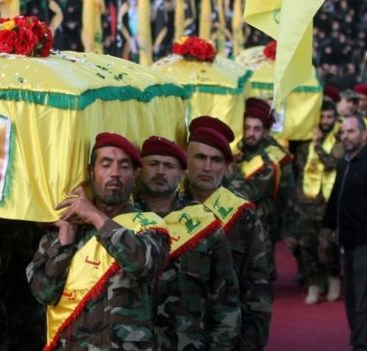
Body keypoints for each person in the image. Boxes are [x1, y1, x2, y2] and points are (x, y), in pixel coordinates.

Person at [27, 132, 170, 350]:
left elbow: (143, 265)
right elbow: (43, 293)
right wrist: (65, 239)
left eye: (124, 166)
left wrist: (95, 216)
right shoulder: (66, 227)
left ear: (136, 174)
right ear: (90, 172)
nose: (115, 173)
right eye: (106, 164)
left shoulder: (149, 225)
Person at [135, 136, 240, 350]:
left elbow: (225, 300)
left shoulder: (203, 223)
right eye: (153, 164)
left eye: (169, 166)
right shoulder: (124, 221)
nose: (161, 172)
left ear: (182, 173)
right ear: (139, 170)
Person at [177, 116, 272, 350]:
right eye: (200, 157)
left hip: (226, 337)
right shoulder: (168, 208)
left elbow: (257, 287)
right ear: (186, 159)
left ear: (227, 166)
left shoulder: (242, 216)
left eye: (216, 160)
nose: (207, 167)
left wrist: (251, 342)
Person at [322, 115, 367, 351]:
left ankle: (364, 346)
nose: (345, 136)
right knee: (352, 300)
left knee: (364, 302)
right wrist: (326, 232)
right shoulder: (344, 164)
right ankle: (360, 342)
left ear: (364, 135)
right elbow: (335, 200)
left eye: (351, 132)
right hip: (346, 243)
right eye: (343, 132)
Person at [229, 98, 297, 281]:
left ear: (265, 131)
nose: (250, 133)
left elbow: (243, 193)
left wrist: (290, 230)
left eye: (257, 129)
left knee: (259, 277)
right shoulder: (239, 149)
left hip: (260, 222)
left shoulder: (270, 159)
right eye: (247, 128)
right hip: (236, 225)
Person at [292, 99, 343, 304]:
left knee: (329, 246)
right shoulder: (305, 143)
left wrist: (318, 146)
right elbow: (300, 173)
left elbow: (332, 163)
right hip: (307, 204)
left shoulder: (339, 140)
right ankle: (314, 285)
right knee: (308, 246)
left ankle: (333, 281)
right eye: (322, 117)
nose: (326, 121)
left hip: (328, 205)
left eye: (330, 117)